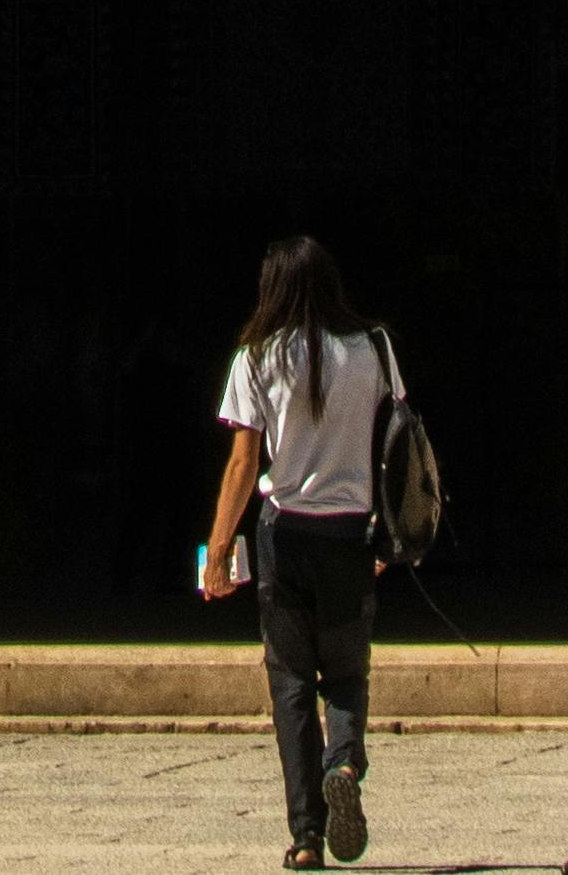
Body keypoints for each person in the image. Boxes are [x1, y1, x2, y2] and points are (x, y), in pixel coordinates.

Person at [200, 231, 408, 870]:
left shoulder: (256, 358)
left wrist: (217, 550)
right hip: (350, 532)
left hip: (283, 533)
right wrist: (391, 531)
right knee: (346, 671)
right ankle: (342, 761)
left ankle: (306, 837)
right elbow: (395, 441)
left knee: (291, 682)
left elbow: (242, 463)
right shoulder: (374, 347)